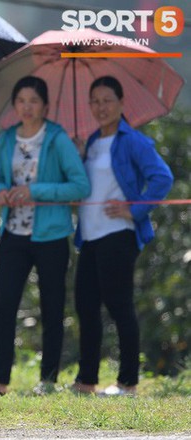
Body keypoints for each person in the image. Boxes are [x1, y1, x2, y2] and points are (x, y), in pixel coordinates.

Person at [0, 76, 90, 396]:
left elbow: (80, 187)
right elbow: (0, 181)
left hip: (52, 235)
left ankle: (47, 380)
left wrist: (36, 191)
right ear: (15, 105)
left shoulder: (58, 138)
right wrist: (2, 193)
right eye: (21, 100)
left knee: (52, 307)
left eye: (34, 100)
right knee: (3, 306)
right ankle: (0, 382)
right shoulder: (5, 140)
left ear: (46, 105)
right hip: (14, 234)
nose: (27, 106)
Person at [71, 76, 173, 397]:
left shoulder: (133, 140)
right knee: (86, 306)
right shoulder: (90, 142)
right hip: (89, 235)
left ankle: (127, 382)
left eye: (107, 100)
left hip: (119, 234)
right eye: (95, 101)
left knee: (119, 306)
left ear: (121, 104)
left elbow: (162, 177)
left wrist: (133, 208)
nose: (101, 107)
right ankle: (86, 380)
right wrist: (78, 157)